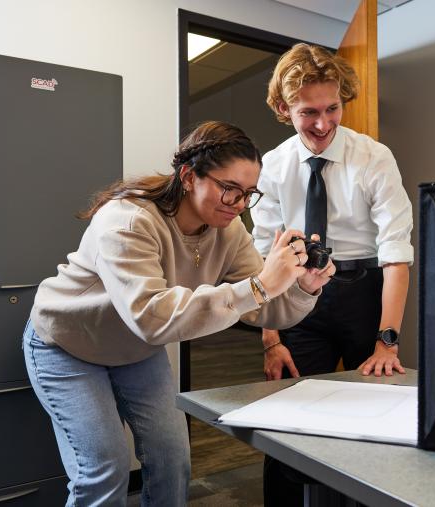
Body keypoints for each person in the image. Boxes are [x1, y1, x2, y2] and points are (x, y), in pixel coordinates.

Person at [22, 120, 335, 506]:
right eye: (229, 188)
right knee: (105, 470)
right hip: (67, 345)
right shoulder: (128, 219)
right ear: (189, 176)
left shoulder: (230, 230)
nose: (238, 204)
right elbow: (152, 317)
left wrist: (304, 285)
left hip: (134, 349)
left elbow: (265, 309)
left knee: (173, 461)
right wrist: (260, 285)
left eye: (248, 194)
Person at [251, 43, 414, 505]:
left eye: (332, 109)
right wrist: (271, 339)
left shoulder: (373, 157)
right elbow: (264, 260)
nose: (323, 124)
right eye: (308, 112)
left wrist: (387, 339)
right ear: (284, 108)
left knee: (378, 418)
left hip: (366, 296)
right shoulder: (273, 166)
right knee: (289, 423)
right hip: (298, 297)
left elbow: (396, 255)